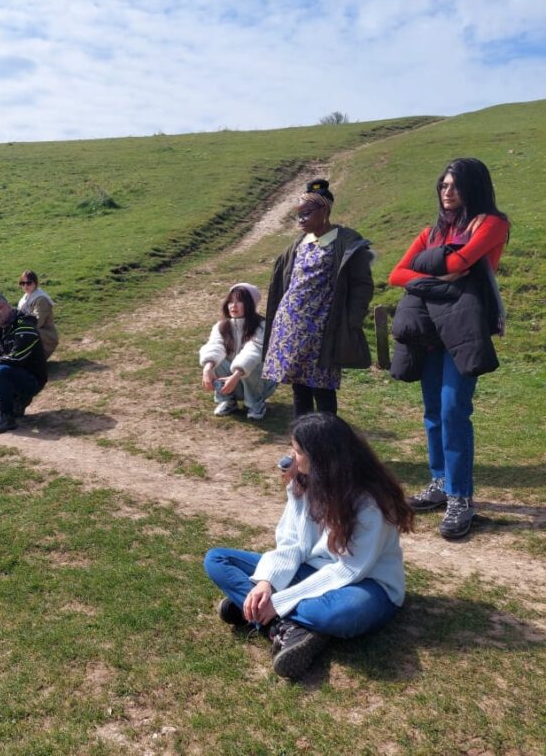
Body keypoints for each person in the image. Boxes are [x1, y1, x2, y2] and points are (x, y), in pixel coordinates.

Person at [203, 413, 414, 680]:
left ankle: (261, 613)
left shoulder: (371, 502)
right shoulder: (304, 483)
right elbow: (292, 543)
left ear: (321, 458)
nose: (290, 456)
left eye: (298, 451)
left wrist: (279, 602)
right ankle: (284, 626)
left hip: (366, 585)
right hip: (311, 572)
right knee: (217, 559)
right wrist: (266, 583)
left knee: (342, 614)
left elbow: (348, 571)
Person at [388, 158, 509, 540]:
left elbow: (463, 260)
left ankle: (460, 496)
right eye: (443, 185)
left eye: (455, 185)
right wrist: (441, 275)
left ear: (473, 187)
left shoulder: (491, 224)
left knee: (454, 409)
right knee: (433, 410)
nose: (447, 191)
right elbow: (396, 274)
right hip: (428, 327)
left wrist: (423, 275)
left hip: (464, 328)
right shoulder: (431, 232)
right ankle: (440, 482)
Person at [262, 179, 374, 417]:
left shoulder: (345, 242)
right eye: (298, 215)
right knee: (299, 390)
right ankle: (301, 448)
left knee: (322, 390)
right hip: (291, 330)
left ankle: (328, 450)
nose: (301, 219)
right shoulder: (298, 245)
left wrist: (351, 322)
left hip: (323, 332)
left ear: (325, 210)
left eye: (307, 213)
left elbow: (362, 285)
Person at [0, 293, 47, 434]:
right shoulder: (0, 331)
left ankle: (6, 417)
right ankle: (17, 401)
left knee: (1, 371)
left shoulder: (25, 326)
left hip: (32, 380)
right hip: (12, 375)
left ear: (9, 307)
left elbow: (17, 358)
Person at [199, 282, 276, 420]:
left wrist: (236, 375)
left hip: (260, 383)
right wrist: (207, 368)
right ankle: (227, 400)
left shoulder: (262, 325)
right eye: (230, 301)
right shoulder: (221, 326)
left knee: (253, 362)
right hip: (232, 382)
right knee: (215, 361)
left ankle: (255, 403)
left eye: (240, 301)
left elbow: (254, 351)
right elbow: (215, 345)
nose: (233, 306)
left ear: (251, 304)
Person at [16, 270, 59, 359]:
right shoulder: (24, 299)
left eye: (28, 283)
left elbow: (38, 322)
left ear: (35, 283)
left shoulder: (41, 299)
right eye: (22, 283)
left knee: (24, 332)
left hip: (45, 336)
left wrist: (20, 324)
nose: (25, 286)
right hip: (32, 332)